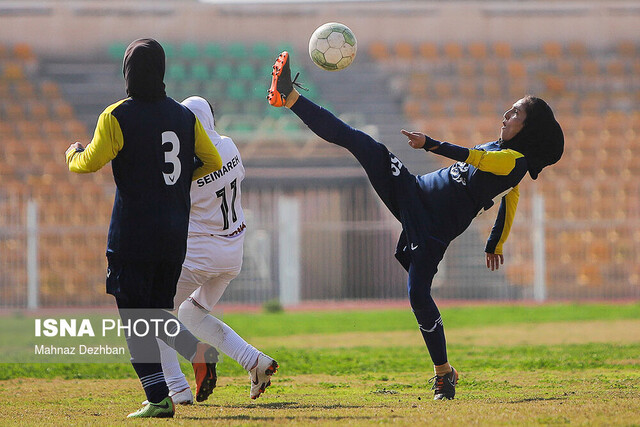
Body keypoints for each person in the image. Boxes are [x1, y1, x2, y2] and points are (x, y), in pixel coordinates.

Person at [267, 51, 564, 400]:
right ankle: (290, 98)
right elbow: (509, 200)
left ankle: (444, 374)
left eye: (515, 113)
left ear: (529, 127)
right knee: (361, 142)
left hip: (433, 228)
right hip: (414, 191)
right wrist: (495, 243)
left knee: (418, 295)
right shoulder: (504, 151)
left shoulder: (514, 161)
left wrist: (432, 144)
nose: (506, 114)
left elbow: (481, 163)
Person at [65, 38, 223, 418]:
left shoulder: (116, 116)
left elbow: (89, 162)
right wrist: (178, 181)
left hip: (134, 233)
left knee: (134, 316)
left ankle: (159, 397)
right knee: (155, 312)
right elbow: (211, 159)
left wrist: (71, 153)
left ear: (128, 72)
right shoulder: (184, 117)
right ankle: (196, 354)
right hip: (173, 233)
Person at [148, 95, 278, 405]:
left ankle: (177, 390)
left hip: (201, 252)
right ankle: (254, 361)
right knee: (191, 314)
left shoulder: (188, 165)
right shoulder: (230, 145)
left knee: (151, 316)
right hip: (233, 251)